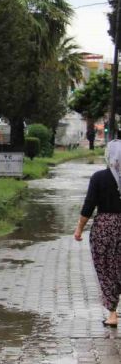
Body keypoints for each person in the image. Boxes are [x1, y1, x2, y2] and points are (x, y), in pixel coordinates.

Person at [75, 139, 121, 328]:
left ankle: (112, 315)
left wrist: (79, 229)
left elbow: (89, 206)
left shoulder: (99, 178)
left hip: (104, 228)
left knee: (106, 269)